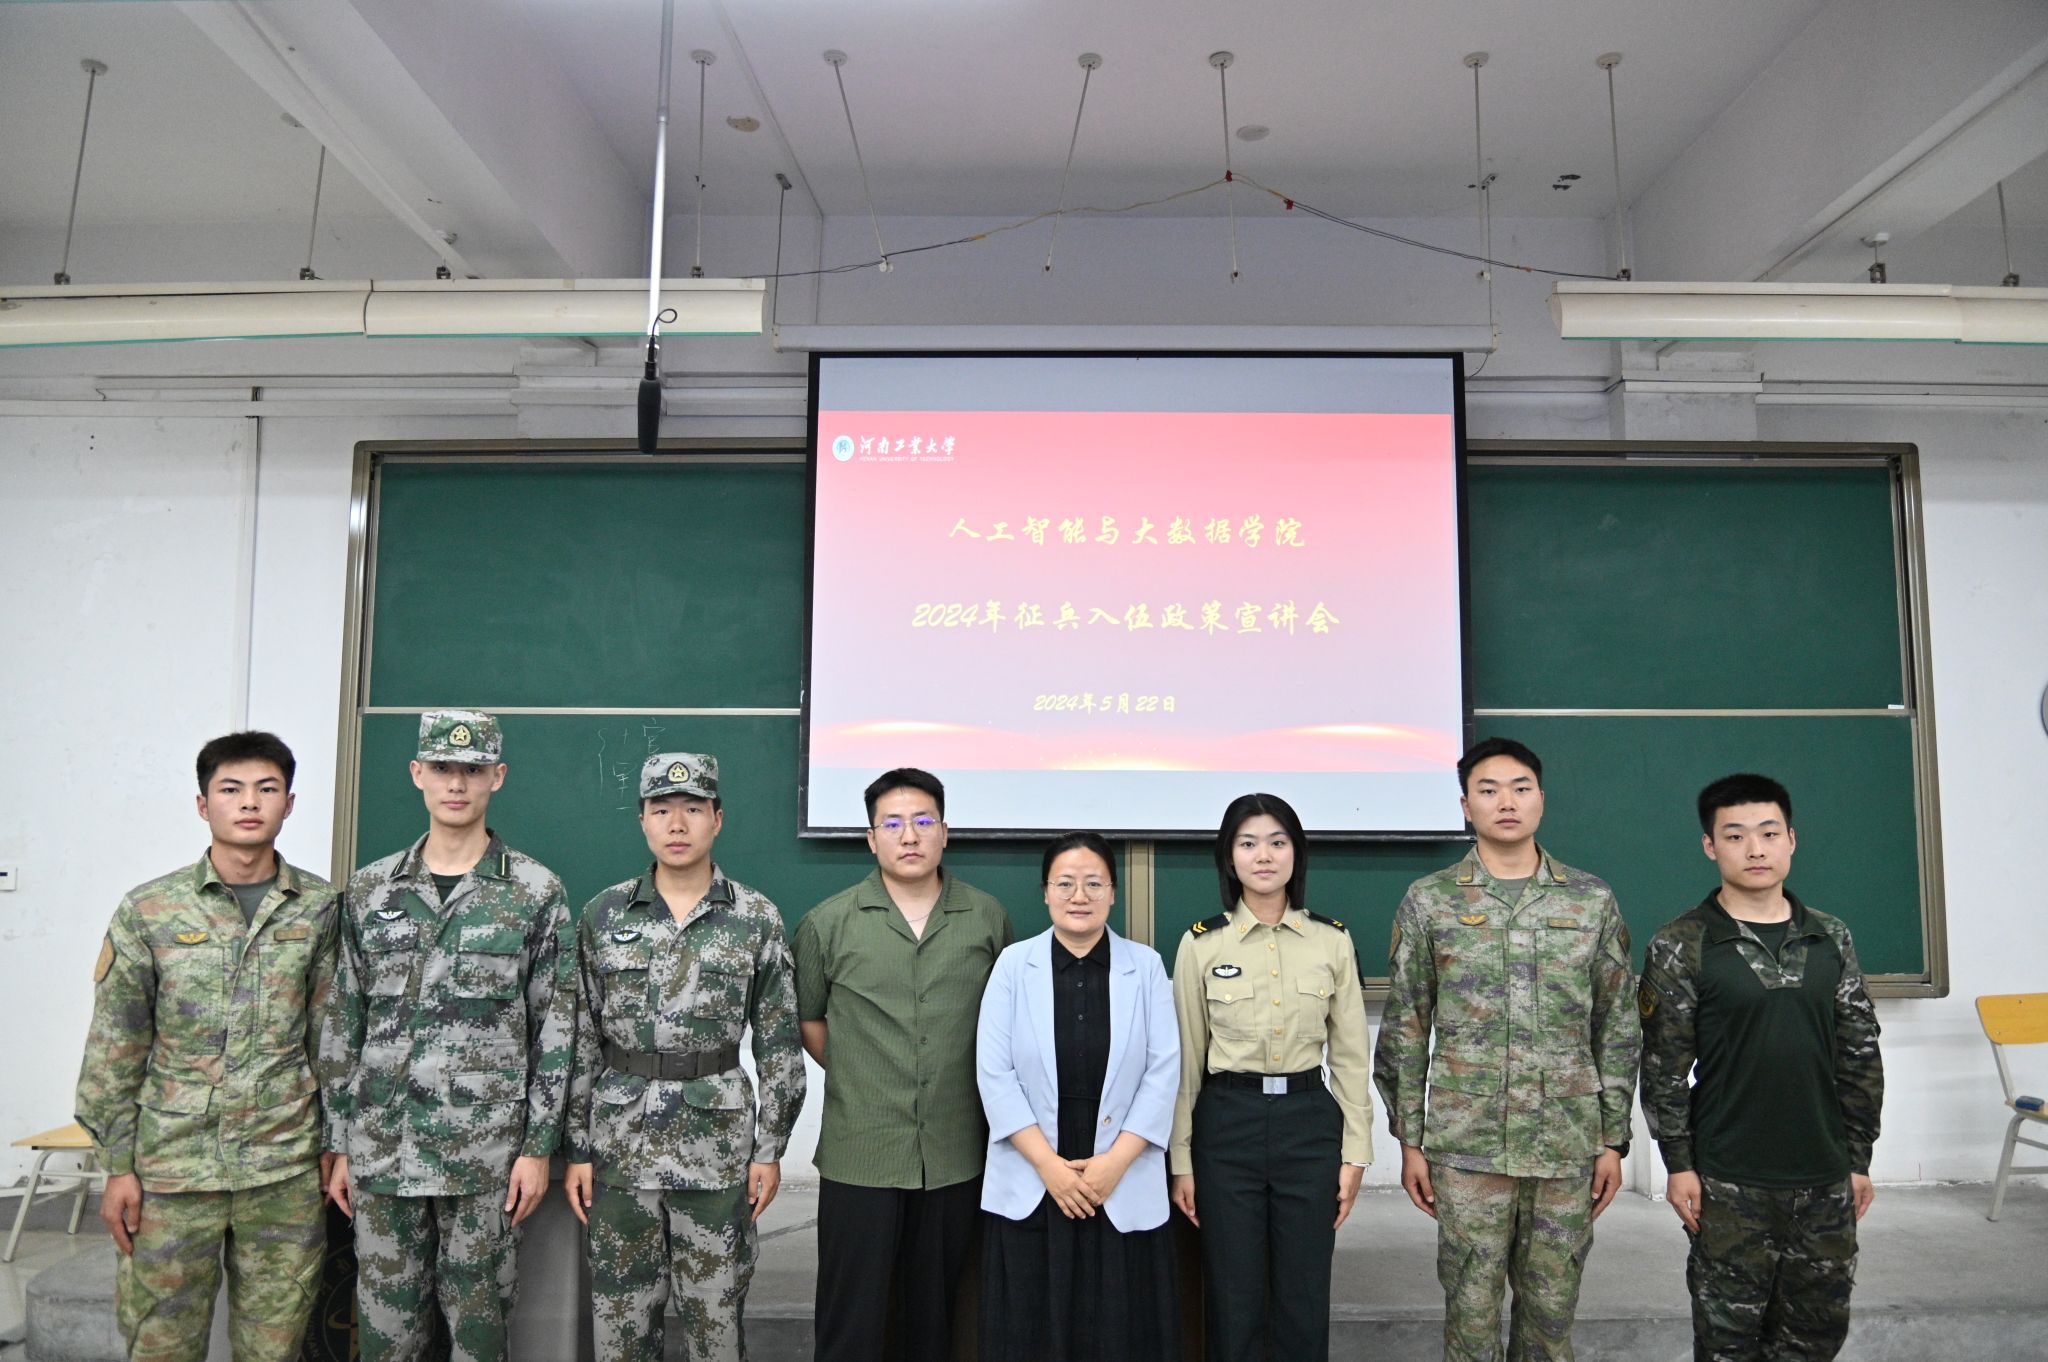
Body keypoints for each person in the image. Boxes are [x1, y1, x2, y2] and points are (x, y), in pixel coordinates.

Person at [317, 709, 574, 1362]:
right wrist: (338, 1142)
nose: (456, 784)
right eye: (441, 768)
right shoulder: (370, 890)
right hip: (384, 1151)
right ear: (417, 774)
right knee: (386, 1337)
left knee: (480, 1334)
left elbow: (556, 1030)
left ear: (498, 777)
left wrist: (538, 1147)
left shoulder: (535, 892)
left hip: (484, 1157)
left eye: (472, 769)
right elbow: (345, 1021)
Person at [75, 731, 339, 1362]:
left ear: (289, 804)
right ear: (203, 805)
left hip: (283, 1168)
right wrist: (117, 1167)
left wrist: (336, 1145)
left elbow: (332, 1042)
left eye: (266, 789)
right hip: (171, 1172)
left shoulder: (321, 908)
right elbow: (115, 1047)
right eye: (231, 789)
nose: (249, 802)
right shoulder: (150, 910)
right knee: (160, 1345)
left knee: (274, 1349)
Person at [1374, 736, 1639, 1362]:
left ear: (1541, 798)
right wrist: (1410, 1141)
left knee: (1551, 1317)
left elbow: (1617, 1025)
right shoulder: (1431, 899)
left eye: (1520, 788)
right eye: (1488, 791)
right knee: (1470, 1316)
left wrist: (1613, 1139)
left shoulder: (1590, 898)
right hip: (1468, 1145)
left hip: (1566, 1143)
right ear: (1466, 806)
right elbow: (1406, 1026)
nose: (1507, 802)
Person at [562, 752, 807, 1362]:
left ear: (717, 819)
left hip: (717, 1154)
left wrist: (770, 1149)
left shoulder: (755, 917)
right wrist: (578, 1149)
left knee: (716, 1327)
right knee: (621, 1329)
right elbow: (580, 1041)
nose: (677, 824)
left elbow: (779, 1044)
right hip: (620, 1150)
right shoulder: (603, 914)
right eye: (662, 809)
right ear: (642, 820)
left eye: (693, 809)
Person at [1638, 773, 1884, 1362]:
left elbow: (1859, 1053)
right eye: (1736, 835)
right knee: (1728, 1342)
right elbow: (1664, 1067)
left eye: (1769, 833)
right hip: (1729, 1178)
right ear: (1710, 846)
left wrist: (1857, 1159)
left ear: (1791, 840)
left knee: (1815, 1339)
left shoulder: (1830, 937)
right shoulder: (1682, 943)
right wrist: (1679, 1164)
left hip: (1824, 1175)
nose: (1755, 849)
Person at [792, 768, 1014, 1362]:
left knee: (935, 1317)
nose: (909, 836)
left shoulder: (987, 918)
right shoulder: (827, 922)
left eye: (922, 821)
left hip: (955, 1150)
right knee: (852, 1317)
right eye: (892, 824)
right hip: (861, 1149)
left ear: (945, 832)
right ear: (871, 838)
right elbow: (809, 1019)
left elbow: (1004, 1025)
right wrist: (862, 1070)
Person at [1168, 792, 1373, 1362]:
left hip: (1308, 1125)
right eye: (1248, 843)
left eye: (1278, 842)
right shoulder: (1201, 943)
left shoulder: (1332, 941)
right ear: (1228, 857)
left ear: (1296, 854)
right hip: (1226, 1125)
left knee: (1303, 1293)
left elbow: (1351, 1058)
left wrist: (1356, 1153)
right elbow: (1186, 1063)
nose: (1264, 855)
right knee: (1232, 1294)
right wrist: (1181, 1159)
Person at [975, 832, 1181, 1362]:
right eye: (1065, 883)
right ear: (1045, 892)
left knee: (1120, 1327)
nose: (1079, 896)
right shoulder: (1013, 966)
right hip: (1035, 1168)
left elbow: (1163, 1072)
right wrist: (1050, 1167)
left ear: (1113, 892)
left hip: (1120, 1168)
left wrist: (1114, 1164)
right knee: (1031, 1326)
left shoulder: (1147, 967)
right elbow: (994, 1075)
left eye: (1094, 883)